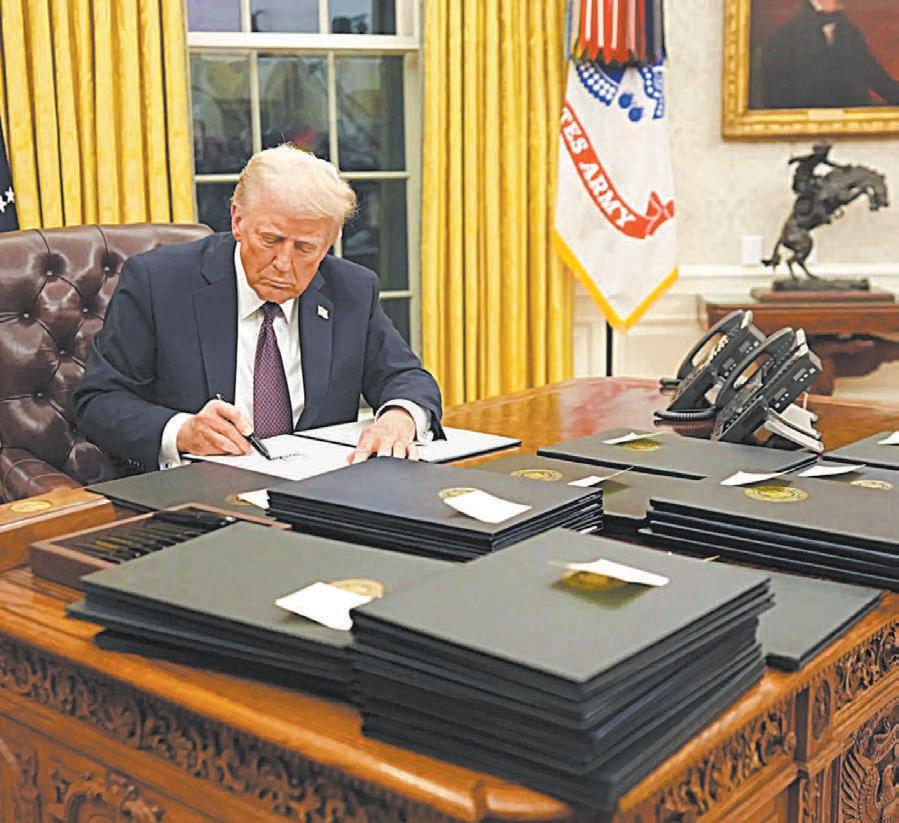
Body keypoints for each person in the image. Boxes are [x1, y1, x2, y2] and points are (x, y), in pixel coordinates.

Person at [74, 145, 443, 475]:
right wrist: (182, 431)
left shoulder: (351, 290)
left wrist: (398, 419)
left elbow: (406, 377)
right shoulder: (159, 282)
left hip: (317, 496)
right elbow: (100, 402)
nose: (283, 263)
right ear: (238, 220)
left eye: (305, 248)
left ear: (329, 243)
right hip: (196, 493)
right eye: (271, 240)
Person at [760, 0, 899, 109]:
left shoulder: (847, 30)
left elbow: (873, 72)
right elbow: (777, 97)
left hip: (847, 117)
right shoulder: (785, 38)